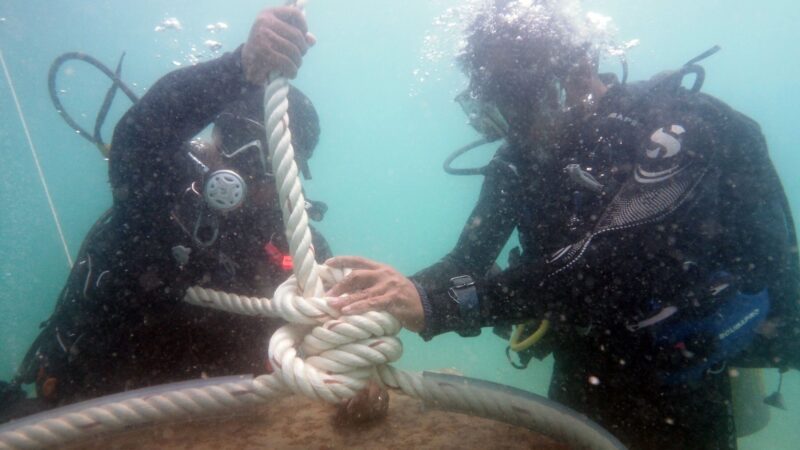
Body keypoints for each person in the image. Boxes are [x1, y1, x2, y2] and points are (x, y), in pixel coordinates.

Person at [325, 1, 800, 448]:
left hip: (679, 378)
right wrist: (383, 301)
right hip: (582, 362)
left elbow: (605, 266)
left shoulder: (669, 130)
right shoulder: (520, 157)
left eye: (517, 93)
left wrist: (437, 305)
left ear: (578, 68)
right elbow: (466, 259)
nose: (512, 118)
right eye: (497, 97)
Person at [1, 6, 384, 423]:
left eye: (267, 156)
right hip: (90, 402)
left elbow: (331, 339)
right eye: (235, 139)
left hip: (226, 422)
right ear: (211, 137)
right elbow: (140, 135)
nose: (243, 164)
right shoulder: (159, 190)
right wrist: (241, 68)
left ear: (292, 172)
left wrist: (355, 376)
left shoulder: (301, 252)